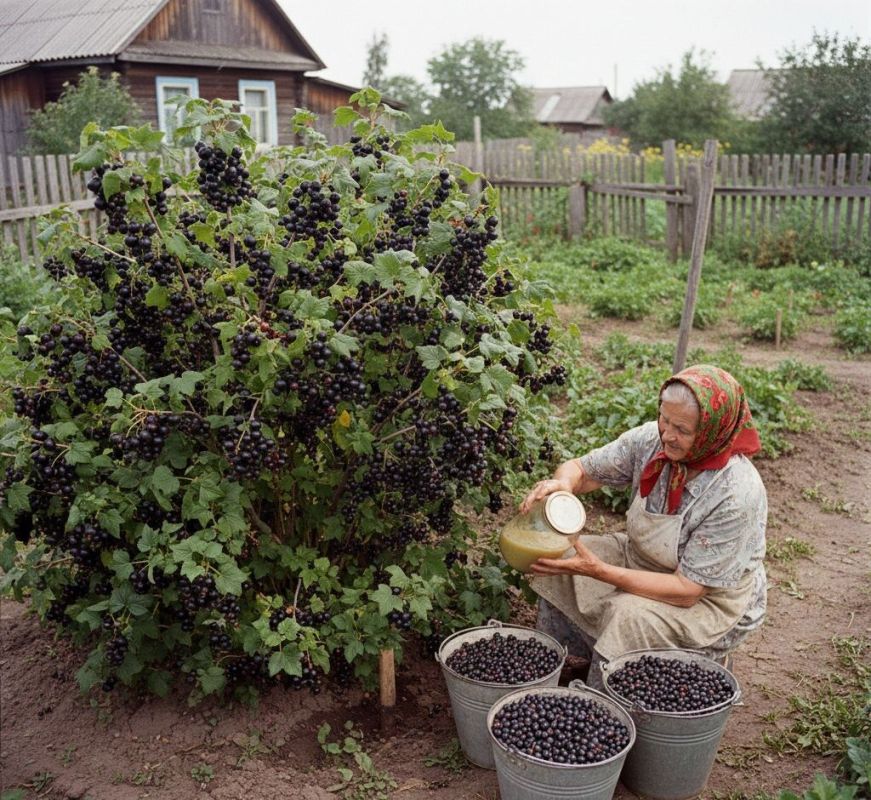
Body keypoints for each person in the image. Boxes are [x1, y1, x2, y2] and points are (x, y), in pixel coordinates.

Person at [520, 364, 767, 686]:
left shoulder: (735, 493)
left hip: (708, 598)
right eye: (665, 419)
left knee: (629, 617)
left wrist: (597, 570)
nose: (667, 434)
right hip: (644, 559)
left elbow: (686, 592)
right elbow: (582, 469)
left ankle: (601, 702)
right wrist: (564, 485)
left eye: (682, 429)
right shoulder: (651, 441)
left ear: (713, 433)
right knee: (560, 557)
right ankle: (558, 663)